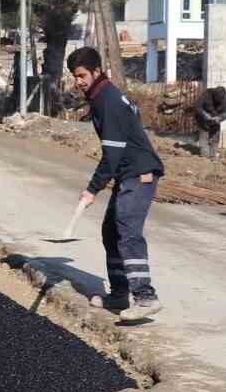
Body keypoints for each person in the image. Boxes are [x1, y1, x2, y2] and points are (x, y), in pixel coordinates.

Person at [68, 47, 165, 322]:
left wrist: (92, 189)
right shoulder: (103, 96)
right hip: (128, 172)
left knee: (127, 230)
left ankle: (146, 298)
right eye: (75, 77)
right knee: (111, 230)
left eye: (82, 75)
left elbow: (111, 155)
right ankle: (120, 292)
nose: (79, 82)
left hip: (140, 172)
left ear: (97, 71)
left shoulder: (106, 101)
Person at [194, 86, 226, 159]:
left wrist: (219, 118)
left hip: (216, 119)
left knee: (215, 137)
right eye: (216, 98)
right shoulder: (206, 94)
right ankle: (204, 156)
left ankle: (213, 155)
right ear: (214, 94)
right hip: (203, 119)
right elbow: (197, 107)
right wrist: (206, 115)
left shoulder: (225, 100)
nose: (217, 101)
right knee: (204, 135)